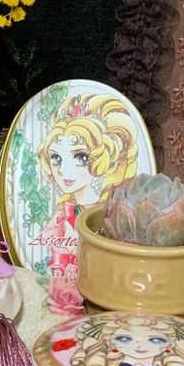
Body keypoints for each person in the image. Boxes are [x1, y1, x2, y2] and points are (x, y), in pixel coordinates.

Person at [34, 94, 138, 280]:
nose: (64, 170)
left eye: (80, 157)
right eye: (56, 158)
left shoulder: (109, 215)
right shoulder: (62, 217)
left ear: (101, 159)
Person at [69, 313, 184, 366]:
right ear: (109, 342)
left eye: (155, 340)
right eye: (124, 339)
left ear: (170, 345)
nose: (140, 346)